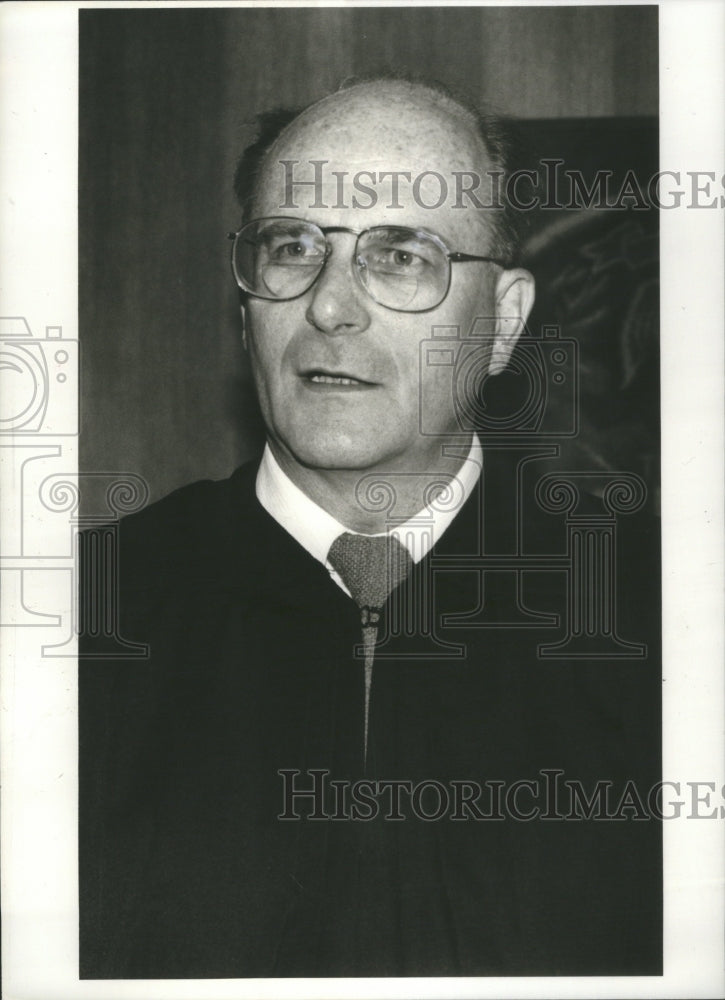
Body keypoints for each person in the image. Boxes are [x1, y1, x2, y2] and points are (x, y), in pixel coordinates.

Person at [79, 77, 661, 979]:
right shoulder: (83, 614)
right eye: (291, 247)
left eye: (399, 256)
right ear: (246, 303)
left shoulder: (658, 619)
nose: (330, 306)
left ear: (503, 323)